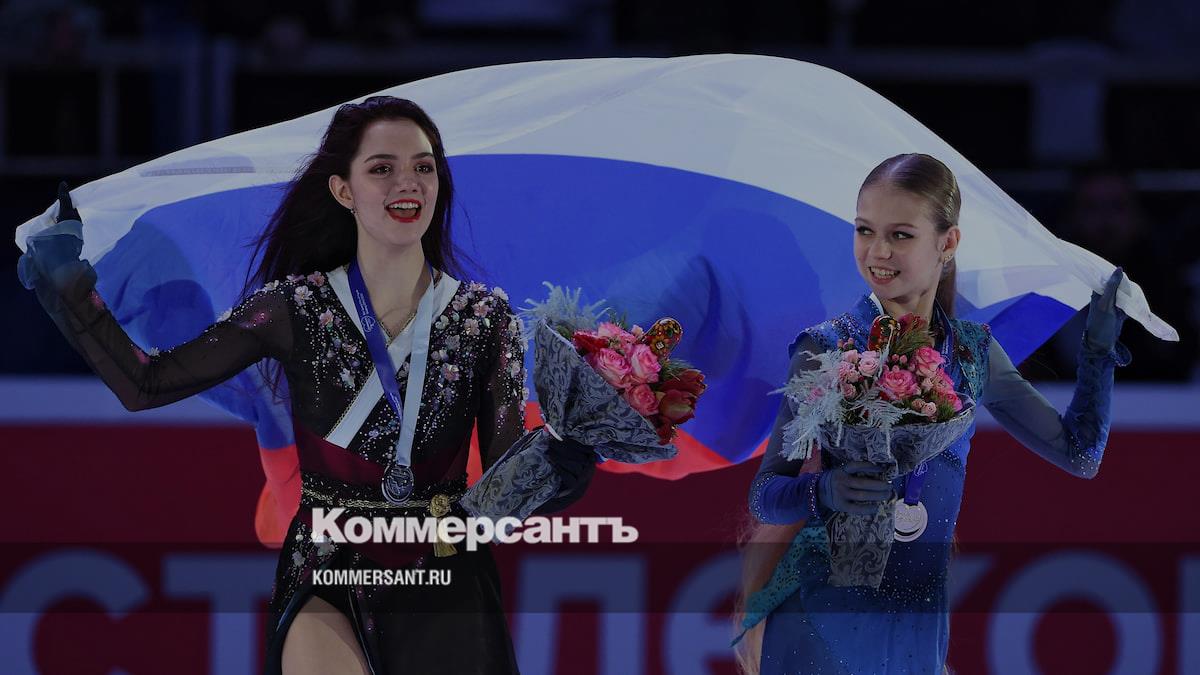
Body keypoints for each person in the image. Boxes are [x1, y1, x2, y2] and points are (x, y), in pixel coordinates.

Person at [17, 96, 596, 675]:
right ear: (343, 191)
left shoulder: (486, 318)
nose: (408, 182)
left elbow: (499, 496)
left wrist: (568, 459)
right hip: (327, 563)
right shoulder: (292, 306)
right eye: (382, 168)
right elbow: (146, 383)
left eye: (423, 166)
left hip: (446, 574)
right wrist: (68, 287)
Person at [735, 153, 1129, 674]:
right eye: (864, 230)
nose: (877, 251)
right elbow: (766, 497)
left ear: (948, 243)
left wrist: (1098, 352)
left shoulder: (972, 354)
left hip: (915, 637)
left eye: (900, 235)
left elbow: (1081, 454)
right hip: (817, 627)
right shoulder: (825, 348)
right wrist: (823, 490)